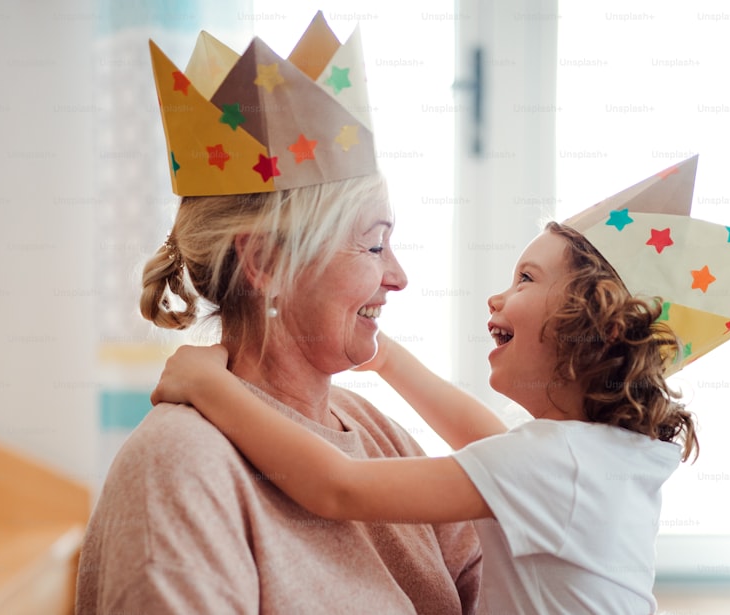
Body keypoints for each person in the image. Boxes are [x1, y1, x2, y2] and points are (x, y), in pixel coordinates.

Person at [77, 19, 483, 612]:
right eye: (373, 245)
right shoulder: (179, 468)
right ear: (266, 262)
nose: (398, 277)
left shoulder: (370, 428)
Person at [150, 220, 701, 614]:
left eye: (527, 280)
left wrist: (209, 386)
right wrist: (385, 358)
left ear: (593, 330)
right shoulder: (593, 457)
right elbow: (487, 439)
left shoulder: (556, 463)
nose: (496, 296)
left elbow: (338, 488)